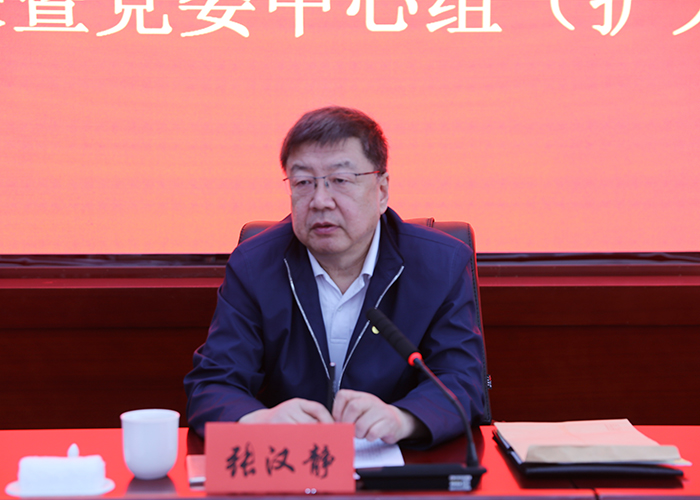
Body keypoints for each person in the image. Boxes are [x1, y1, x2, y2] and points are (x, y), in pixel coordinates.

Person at [184, 106, 486, 447]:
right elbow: (212, 384)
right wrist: (261, 421)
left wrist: (401, 418)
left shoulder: (441, 264)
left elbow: (461, 380)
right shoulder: (254, 265)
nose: (320, 201)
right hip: (292, 464)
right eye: (303, 182)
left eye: (340, 180)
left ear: (382, 190)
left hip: (396, 463)